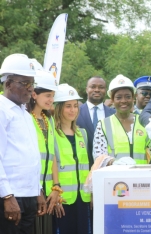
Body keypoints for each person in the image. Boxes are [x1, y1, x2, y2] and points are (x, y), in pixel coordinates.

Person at [0, 53, 46, 234]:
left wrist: (38, 190)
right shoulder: (2, 111)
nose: (30, 89)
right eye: (24, 83)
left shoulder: (25, 114)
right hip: (10, 197)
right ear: (8, 83)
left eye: (32, 84)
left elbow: (30, 156)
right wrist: (7, 196)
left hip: (28, 196)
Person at [26, 67, 63, 234]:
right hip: (30, 191)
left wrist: (56, 187)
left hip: (48, 193)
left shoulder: (48, 119)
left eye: (53, 96)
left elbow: (53, 156)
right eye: (48, 95)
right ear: (34, 95)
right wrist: (36, 189)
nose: (51, 100)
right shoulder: (25, 118)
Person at [53, 84, 92, 234]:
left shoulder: (82, 133)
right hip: (62, 199)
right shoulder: (52, 134)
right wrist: (55, 193)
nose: (73, 110)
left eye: (75, 106)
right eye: (68, 106)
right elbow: (52, 166)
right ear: (59, 108)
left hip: (82, 198)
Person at [92, 75, 148, 164]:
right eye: (118, 97)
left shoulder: (144, 122)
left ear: (133, 98)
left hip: (142, 175)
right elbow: (98, 156)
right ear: (112, 100)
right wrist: (113, 162)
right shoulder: (103, 125)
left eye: (128, 97)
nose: (123, 101)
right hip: (116, 176)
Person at [76, 76, 115, 168]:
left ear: (105, 90)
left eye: (101, 87)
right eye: (93, 87)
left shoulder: (114, 114)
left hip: (108, 167)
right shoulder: (76, 113)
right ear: (86, 89)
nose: (97, 90)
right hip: (83, 168)